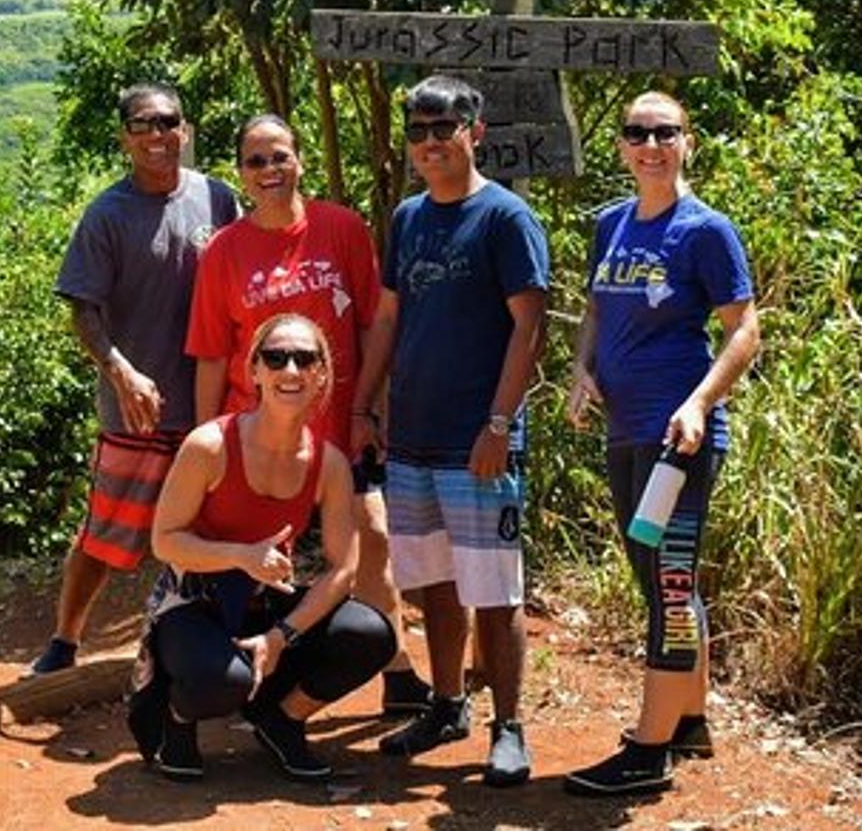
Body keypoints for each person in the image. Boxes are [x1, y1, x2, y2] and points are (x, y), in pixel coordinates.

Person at [183, 113, 430, 716]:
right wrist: (207, 442)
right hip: (257, 437)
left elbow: (374, 323)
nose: (270, 171)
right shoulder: (225, 251)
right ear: (240, 173)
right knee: (255, 555)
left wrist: (374, 408)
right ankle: (238, 667)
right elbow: (214, 355)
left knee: (371, 537)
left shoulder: (340, 229)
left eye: (279, 157)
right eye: (255, 162)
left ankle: (395, 668)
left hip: (342, 427)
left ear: (300, 159)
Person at [562, 91, 761, 797]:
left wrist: (702, 402)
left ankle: (647, 751)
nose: (651, 144)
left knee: (669, 584)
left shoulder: (706, 229)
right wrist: (581, 368)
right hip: (624, 428)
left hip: (677, 436)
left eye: (665, 132)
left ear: (688, 141)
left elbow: (746, 330)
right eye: (637, 132)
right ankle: (689, 718)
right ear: (620, 145)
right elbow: (593, 307)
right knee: (660, 576)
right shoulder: (611, 224)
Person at [353, 74, 549, 788]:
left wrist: (499, 423)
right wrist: (363, 407)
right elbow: (387, 317)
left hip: (479, 441)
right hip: (412, 438)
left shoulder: (505, 217)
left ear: (476, 131)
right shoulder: (407, 217)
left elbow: (530, 327)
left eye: (445, 127)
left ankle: (510, 726)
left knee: (494, 590)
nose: (431, 141)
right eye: (419, 130)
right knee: (433, 582)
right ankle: (446, 703)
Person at [25, 84, 238, 678]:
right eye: (143, 125)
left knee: (214, 535)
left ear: (185, 129)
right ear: (124, 136)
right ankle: (65, 640)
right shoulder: (108, 214)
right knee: (107, 534)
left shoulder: (219, 200)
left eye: (167, 122)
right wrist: (120, 372)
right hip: (137, 411)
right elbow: (83, 309)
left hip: (209, 408)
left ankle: (217, 652)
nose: (157, 136)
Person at [130, 312, 396, 781]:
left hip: (264, 605)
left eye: (304, 359)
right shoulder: (209, 445)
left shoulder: (328, 463)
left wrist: (281, 638)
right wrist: (241, 555)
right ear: (254, 371)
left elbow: (343, 570)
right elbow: (164, 540)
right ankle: (176, 720)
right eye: (275, 358)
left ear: (322, 375)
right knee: (223, 680)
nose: (289, 371)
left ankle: (281, 719)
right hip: (194, 601)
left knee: (370, 634)